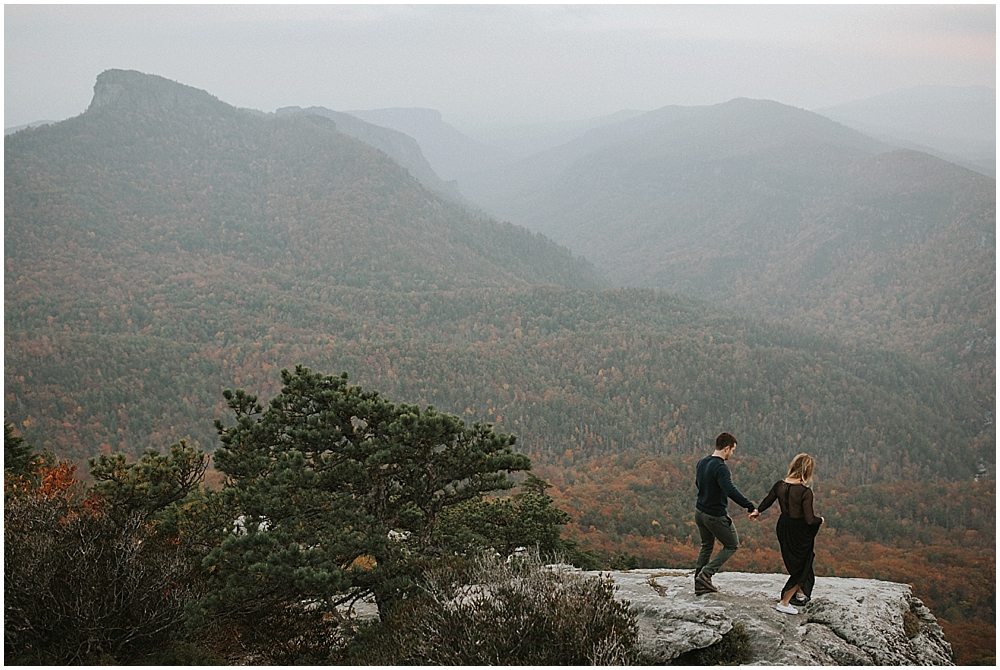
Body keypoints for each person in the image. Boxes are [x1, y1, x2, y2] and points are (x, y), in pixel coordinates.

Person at [756, 453, 824, 614]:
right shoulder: (805, 492)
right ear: (807, 471)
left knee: (798, 562)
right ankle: (785, 601)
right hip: (799, 530)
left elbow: (767, 500)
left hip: (784, 526)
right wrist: (820, 520)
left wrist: (757, 511)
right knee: (802, 564)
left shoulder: (780, 485)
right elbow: (809, 519)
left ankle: (800, 593)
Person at [693, 432, 758, 595]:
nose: (732, 454)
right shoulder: (721, 467)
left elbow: (698, 483)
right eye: (733, 450)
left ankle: (699, 582)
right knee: (731, 545)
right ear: (726, 448)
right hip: (714, 515)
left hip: (699, 511)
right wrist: (749, 506)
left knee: (706, 546)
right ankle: (706, 574)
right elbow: (730, 490)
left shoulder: (703, 462)